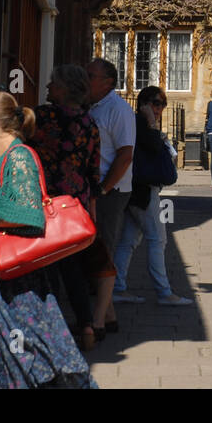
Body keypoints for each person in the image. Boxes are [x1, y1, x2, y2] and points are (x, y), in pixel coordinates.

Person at [0, 92, 96, 388]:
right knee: (9, 361)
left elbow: (27, 214)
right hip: (8, 280)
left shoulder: (18, 156)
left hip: (18, 285)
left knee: (29, 361)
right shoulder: (5, 160)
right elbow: (2, 211)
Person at [29, 64, 102, 349]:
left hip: (44, 200)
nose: (48, 87)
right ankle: (85, 325)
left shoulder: (42, 116)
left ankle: (50, 330)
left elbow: (12, 128)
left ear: (65, 88)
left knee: (46, 267)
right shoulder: (89, 124)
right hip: (74, 205)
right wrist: (92, 208)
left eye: (53, 83)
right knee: (72, 268)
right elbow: (93, 171)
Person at [113, 87, 193, 307]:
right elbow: (154, 146)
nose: (160, 109)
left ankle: (118, 288)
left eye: (162, 104)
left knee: (128, 241)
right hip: (144, 190)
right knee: (158, 240)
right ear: (144, 104)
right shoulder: (141, 123)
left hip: (135, 191)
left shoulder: (136, 122)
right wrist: (153, 124)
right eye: (156, 103)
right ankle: (164, 292)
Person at [86, 57, 136, 337]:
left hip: (111, 192)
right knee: (95, 250)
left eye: (90, 75)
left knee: (103, 252)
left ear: (107, 82)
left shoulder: (118, 109)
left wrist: (104, 189)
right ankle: (110, 315)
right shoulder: (95, 106)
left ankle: (99, 321)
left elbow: (126, 154)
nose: (86, 80)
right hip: (98, 190)